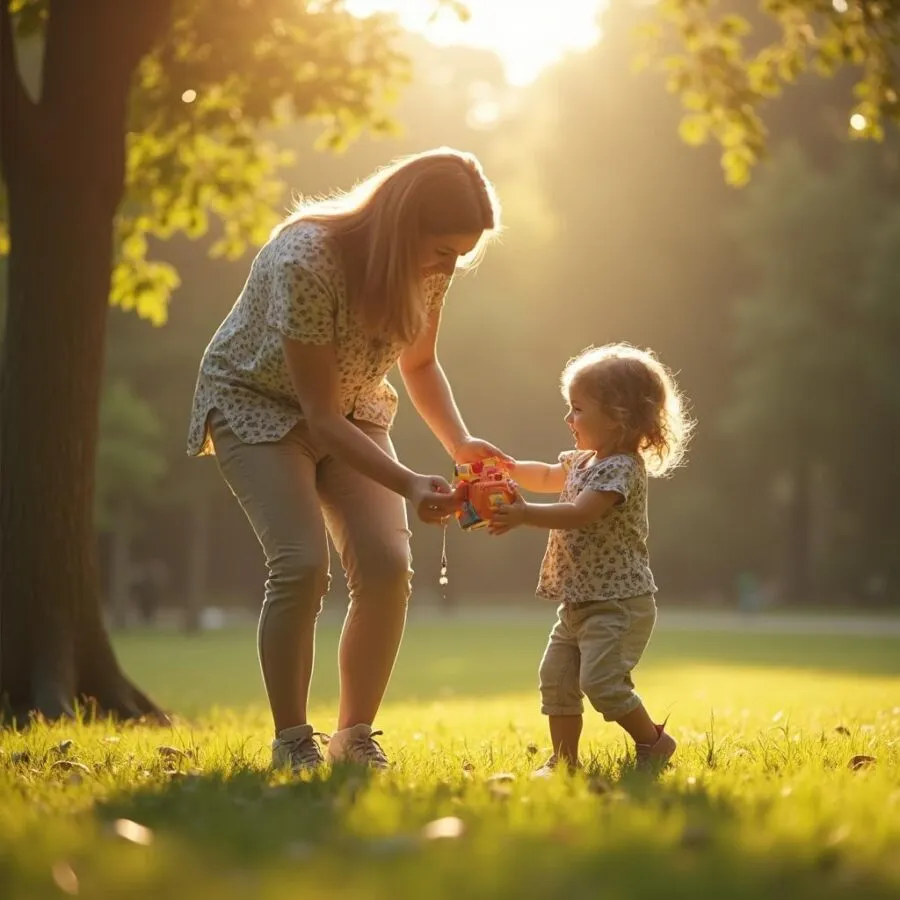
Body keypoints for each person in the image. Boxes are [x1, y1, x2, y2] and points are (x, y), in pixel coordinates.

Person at [186, 148, 506, 771]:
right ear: (403, 224)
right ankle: (292, 742)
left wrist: (459, 444)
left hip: (352, 405)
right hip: (258, 406)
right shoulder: (305, 259)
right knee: (302, 566)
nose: (452, 266)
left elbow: (418, 364)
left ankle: (353, 737)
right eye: (444, 250)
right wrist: (411, 482)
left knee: (387, 564)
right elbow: (319, 415)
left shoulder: (429, 269)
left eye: (461, 254)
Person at [490, 343, 694, 774]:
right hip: (579, 602)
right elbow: (546, 475)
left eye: (578, 409)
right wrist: (505, 467)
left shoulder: (621, 468)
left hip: (619, 604)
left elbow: (581, 513)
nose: (569, 419)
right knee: (557, 680)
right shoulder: (584, 460)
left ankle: (654, 742)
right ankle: (563, 762)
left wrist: (525, 514)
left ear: (619, 416)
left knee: (602, 684)